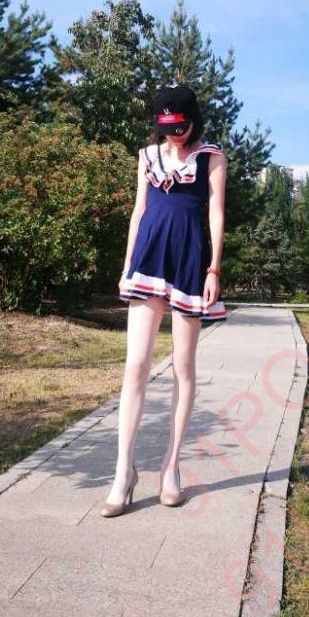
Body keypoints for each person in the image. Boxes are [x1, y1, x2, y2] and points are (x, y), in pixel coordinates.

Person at [100, 83, 228, 517]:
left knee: (183, 367)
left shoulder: (211, 157)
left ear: (194, 120)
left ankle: (171, 467)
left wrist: (213, 270)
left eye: (181, 126)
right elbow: (139, 211)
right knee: (135, 365)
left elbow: (216, 213)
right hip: (148, 259)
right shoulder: (147, 157)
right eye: (167, 127)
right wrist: (126, 266)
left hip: (189, 263)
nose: (174, 135)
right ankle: (123, 472)